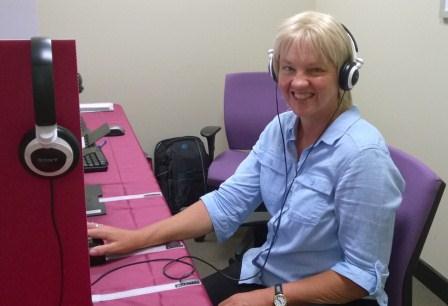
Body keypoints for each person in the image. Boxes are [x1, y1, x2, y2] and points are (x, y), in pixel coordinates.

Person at [88, 11, 405, 306]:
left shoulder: (362, 156)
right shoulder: (280, 129)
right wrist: (136, 238)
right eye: (288, 68)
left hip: (323, 297)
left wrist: (267, 300)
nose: (297, 82)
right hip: (267, 279)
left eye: (316, 70)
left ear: (345, 76)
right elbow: (226, 203)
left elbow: (360, 278)